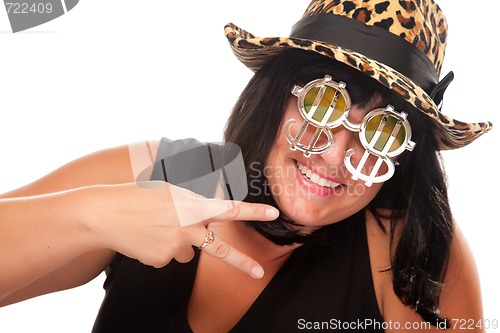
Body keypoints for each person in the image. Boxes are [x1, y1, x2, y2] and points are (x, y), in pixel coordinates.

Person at [0, 0, 493, 332]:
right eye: (322, 104)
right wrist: (92, 217)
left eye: (381, 131)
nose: (336, 158)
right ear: (277, 95)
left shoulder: (411, 252)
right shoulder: (176, 168)